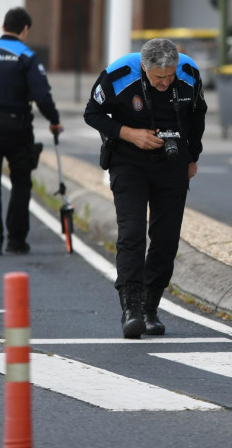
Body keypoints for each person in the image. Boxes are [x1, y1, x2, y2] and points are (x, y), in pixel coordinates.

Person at [84, 38, 207, 338]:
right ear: (144, 67)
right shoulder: (119, 74)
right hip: (129, 162)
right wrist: (129, 133)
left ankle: (151, 307)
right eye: (158, 78)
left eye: (170, 77)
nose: (165, 83)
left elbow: (197, 114)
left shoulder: (189, 72)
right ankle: (132, 309)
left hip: (173, 164)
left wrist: (193, 155)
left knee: (166, 241)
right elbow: (92, 113)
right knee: (132, 234)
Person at [0, 7, 63, 256]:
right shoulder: (27, 56)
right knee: (20, 182)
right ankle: (16, 240)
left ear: (3, 26)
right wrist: (54, 120)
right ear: (25, 29)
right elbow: (42, 95)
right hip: (17, 128)